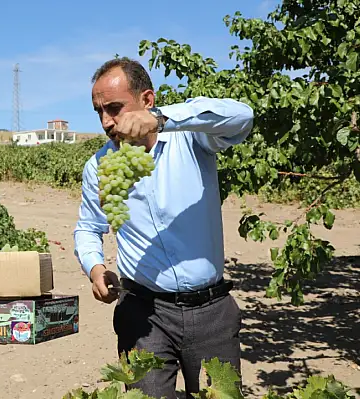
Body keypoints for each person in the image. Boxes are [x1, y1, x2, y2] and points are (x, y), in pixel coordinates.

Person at [73, 57, 254, 399]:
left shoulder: (193, 139)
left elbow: (242, 117)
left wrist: (161, 121)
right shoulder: (99, 165)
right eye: (99, 112)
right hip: (142, 315)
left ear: (147, 101)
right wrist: (95, 268)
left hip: (211, 311)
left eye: (114, 108)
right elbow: (88, 227)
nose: (107, 122)